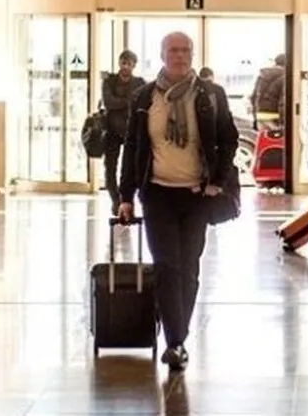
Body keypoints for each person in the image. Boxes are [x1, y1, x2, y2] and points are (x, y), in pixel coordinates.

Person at [117, 32, 238, 371]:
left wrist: (217, 180)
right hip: (157, 194)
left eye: (185, 50)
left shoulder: (211, 95)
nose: (180, 56)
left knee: (189, 268)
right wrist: (125, 196)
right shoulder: (144, 97)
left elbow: (229, 140)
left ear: (193, 54)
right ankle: (176, 342)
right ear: (162, 54)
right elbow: (133, 148)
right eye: (173, 50)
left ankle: (177, 330)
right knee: (168, 267)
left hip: (196, 195)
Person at [101, 50, 145, 215]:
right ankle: (115, 200)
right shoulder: (110, 81)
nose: (125, 66)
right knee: (110, 167)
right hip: (112, 130)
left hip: (131, 131)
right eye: (123, 62)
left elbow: (141, 102)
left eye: (129, 63)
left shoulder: (140, 83)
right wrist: (129, 102)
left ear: (134, 65)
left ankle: (127, 200)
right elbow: (108, 102)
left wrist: (124, 103)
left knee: (129, 168)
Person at [250, 54, 286, 129]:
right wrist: (284, 122)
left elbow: (253, 97)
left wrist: (255, 117)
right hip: (275, 117)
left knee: (265, 139)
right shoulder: (284, 77)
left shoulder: (262, 76)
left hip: (261, 116)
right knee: (279, 140)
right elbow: (283, 102)